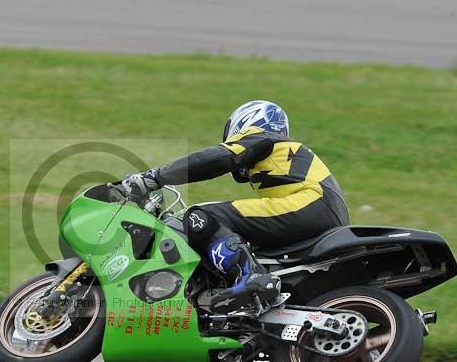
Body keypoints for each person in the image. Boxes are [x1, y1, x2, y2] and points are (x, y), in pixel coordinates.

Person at [120, 100, 349, 314]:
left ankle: (250, 276)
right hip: (323, 215)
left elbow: (213, 160)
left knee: (202, 216)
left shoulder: (259, 136)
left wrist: (156, 177)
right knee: (238, 238)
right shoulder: (285, 154)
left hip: (310, 204)